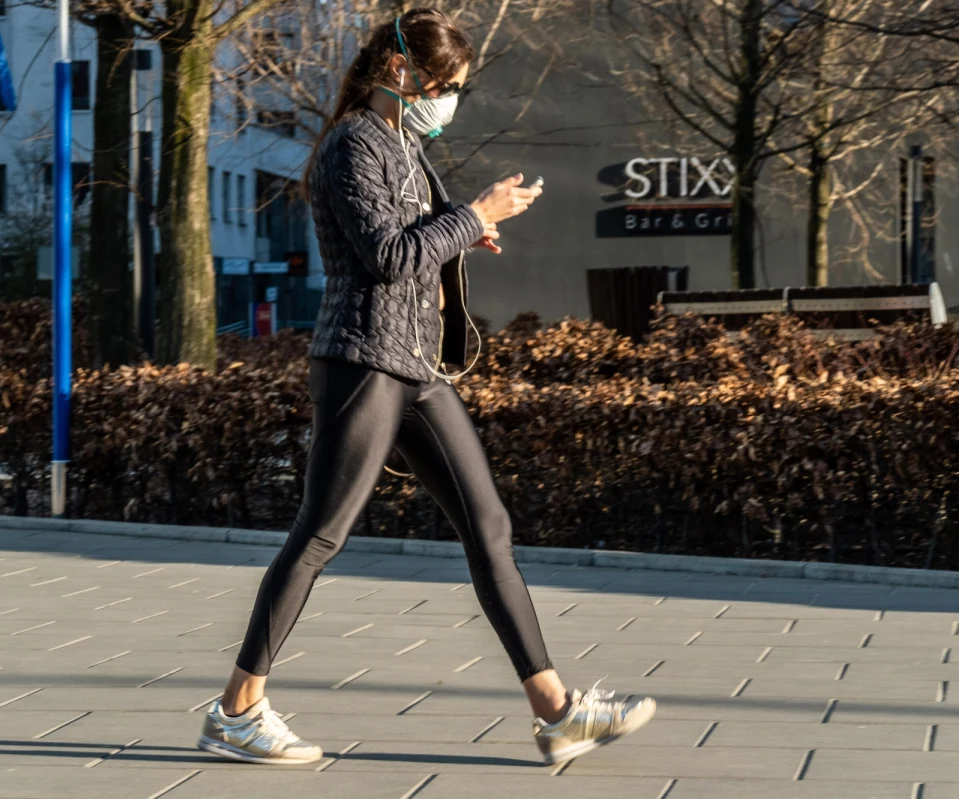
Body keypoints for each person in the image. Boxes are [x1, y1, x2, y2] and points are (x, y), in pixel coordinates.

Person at [198, 7, 656, 767]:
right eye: (446, 86)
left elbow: (423, 243)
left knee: (489, 523)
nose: (450, 101)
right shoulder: (352, 145)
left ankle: (558, 710)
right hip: (363, 361)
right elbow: (384, 257)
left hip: (419, 369)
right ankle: (237, 709)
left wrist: (468, 227)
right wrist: (472, 214)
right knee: (320, 534)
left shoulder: (407, 148)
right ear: (404, 72)